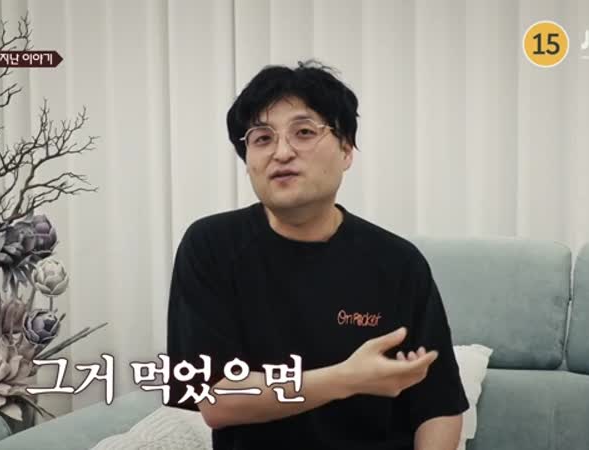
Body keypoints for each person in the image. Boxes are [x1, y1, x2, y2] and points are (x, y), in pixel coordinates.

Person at [166, 60, 469, 450]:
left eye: (304, 132)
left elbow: (438, 406)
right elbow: (216, 400)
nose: (281, 152)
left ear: (346, 150)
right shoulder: (211, 246)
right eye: (262, 138)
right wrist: (348, 378)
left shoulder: (398, 262)